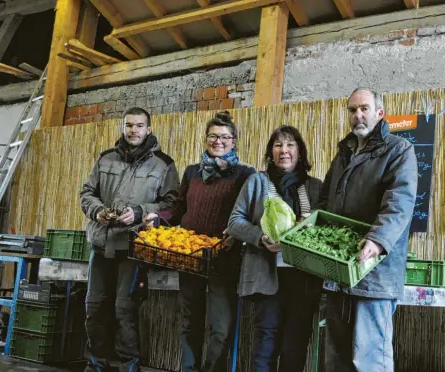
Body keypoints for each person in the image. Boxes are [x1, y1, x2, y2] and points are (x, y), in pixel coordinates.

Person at [144, 111, 256, 372]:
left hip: (222, 259)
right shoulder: (193, 172)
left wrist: (235, 235)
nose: (219, 141)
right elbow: (179, 207)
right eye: (213, 136)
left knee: (221, 327)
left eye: (225, 137)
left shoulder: (244, 174)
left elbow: (248, 213)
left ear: (234, 141)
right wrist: (159, 219)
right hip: (190, 257)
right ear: (206, 139)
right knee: (189, 322)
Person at [318, 88, 417, 372]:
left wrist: (377, 240)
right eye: (352, 110)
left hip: (375, 270)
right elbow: (325, 200)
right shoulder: (343, 154)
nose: (358, 115)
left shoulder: (398, 150)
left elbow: (400, 202)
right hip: (338, 268)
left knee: (369, 358)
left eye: (364, 108)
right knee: (336, 357)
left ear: (379, 113)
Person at [80, 107, 180, 372]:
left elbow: (173, 206)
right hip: (101, 245)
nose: (133, 130)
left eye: (139, 125)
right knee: (94, 307)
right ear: (123, 128)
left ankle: (129, 366)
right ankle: (95, 364)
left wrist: (140, 212)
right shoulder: (105, 159)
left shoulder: (164, 164)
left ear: (149, 129)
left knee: (125, 310)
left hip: (134, 248)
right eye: (129, 125)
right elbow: (87, 193)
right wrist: (98, 211)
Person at [227, 126, 323, 372]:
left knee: (295, 346)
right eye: (278, 145)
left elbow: (324, 228)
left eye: (291, 145)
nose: (285, 150)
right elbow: (235, 222)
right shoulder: (258, 182)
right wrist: (261, 237)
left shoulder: (314, 187)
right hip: (267, 276)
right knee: (266, 342)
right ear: (271, 152)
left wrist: (308, 229)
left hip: (303, 278)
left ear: (300, 152)